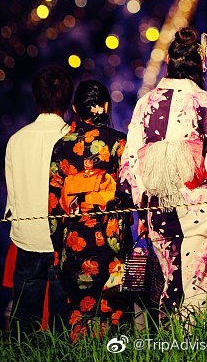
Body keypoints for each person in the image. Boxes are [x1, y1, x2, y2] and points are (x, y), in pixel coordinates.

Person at [120, 27, 207, 317]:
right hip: (198, 205)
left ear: (169, 61)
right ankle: (199, 340)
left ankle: (171, 340)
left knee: (170, 283)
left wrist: (141, 205)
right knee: (198, 283)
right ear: (200, 64)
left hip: (158, 206)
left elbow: (131, 161)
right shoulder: (206, 103)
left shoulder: (145, 104)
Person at [48, 80, 132, 342]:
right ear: (105, 106)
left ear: (75, 108)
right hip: (110, 241)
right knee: (114, 311)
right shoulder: (118, 143)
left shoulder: (61, 147)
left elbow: (54, 205)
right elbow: (129, 193)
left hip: (75, 241)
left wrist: (58, 250)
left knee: (79, 312)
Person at [5, 65, 73, 328]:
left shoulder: (16, 140)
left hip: (27, 236)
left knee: (23, 318)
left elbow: (12, 197)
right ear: (68, 100)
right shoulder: (73, 139)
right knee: (62, 319)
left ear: (35, 97)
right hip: (64, 238)